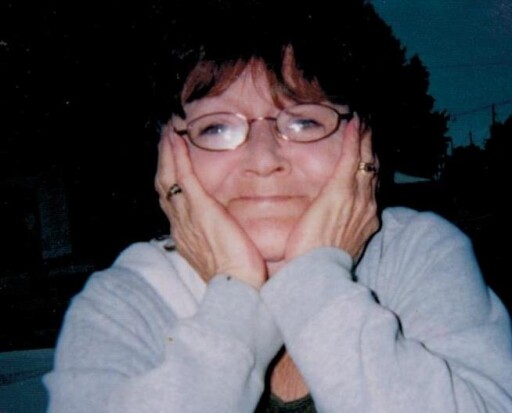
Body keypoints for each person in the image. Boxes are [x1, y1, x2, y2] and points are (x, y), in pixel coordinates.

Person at [44, 1, 512, 412]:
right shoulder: (123, 302)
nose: (264, 160)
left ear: (363, 143)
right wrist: (235, 293)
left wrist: (315, 280)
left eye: (304, 122)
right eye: (216, 128)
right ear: (169, 154)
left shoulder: (418, 255)